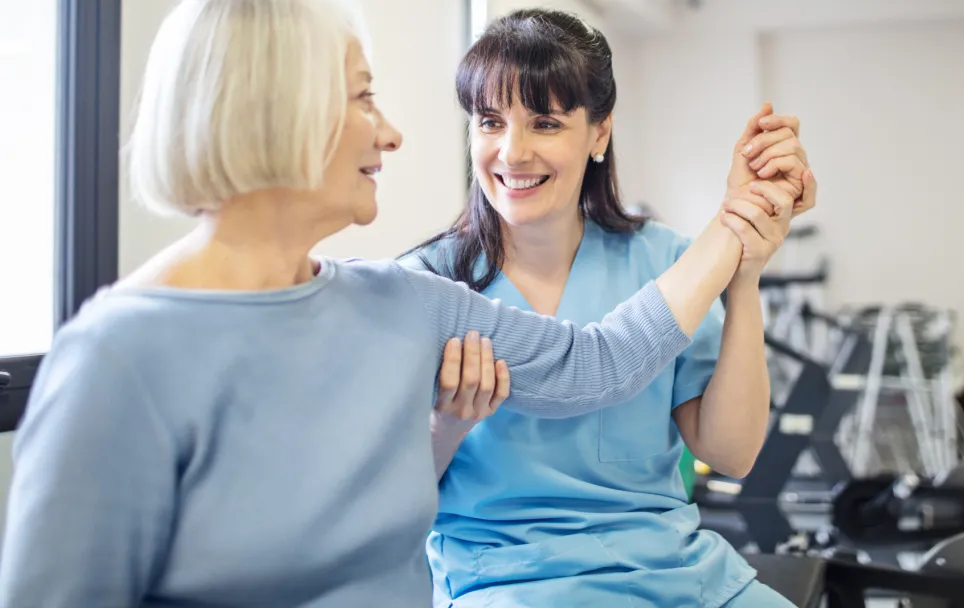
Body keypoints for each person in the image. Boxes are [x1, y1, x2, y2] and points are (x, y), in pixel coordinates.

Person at [0, 1, 779, 606]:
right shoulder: (118, 356)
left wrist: (735, 232)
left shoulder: (404, 300)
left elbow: (596, 363)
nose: (397, 133)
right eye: (365, 98)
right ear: (278, 111)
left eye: (544, 122)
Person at [403, 9, 816, 607]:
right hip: (507, 582)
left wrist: (744, 276)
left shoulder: (666, 263)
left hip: (676, 575)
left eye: (544, 123)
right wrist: (448, 426)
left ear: (599, 133)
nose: (511, 152)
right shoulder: (431, 283)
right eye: (490, 121)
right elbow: (389, 503)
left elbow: (732, 453)